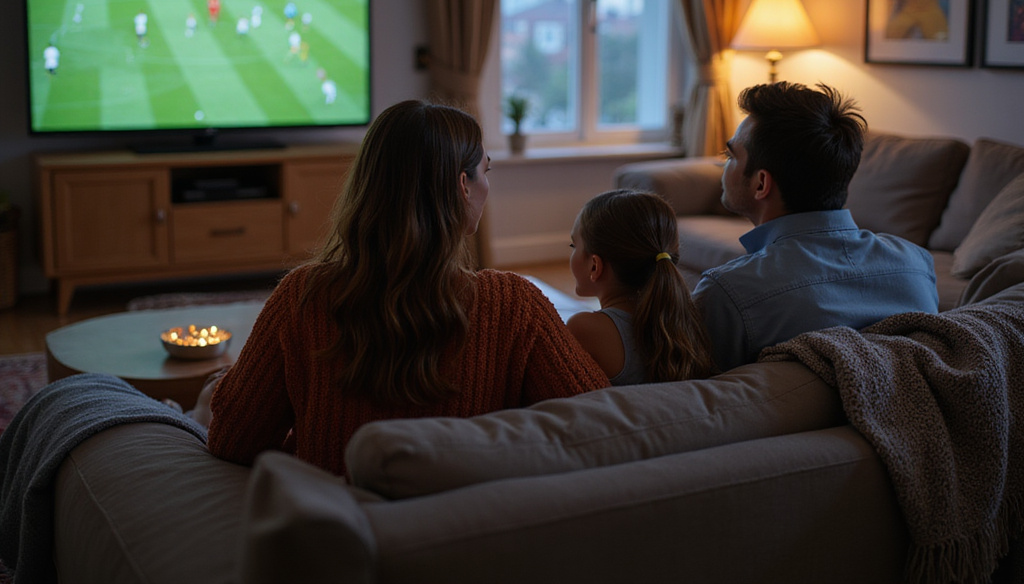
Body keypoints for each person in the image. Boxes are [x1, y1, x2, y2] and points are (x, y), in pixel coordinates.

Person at [205, 99, 609, 476]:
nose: (488, 184)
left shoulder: (301, 297)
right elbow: (606, 428)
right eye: (487, 171)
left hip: (339, 538)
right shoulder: (514, 306)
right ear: (462, 186)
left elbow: (231, 440)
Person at [693, 82, 939, 371]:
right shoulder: (918, 265)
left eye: (730, 156)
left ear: (761, 184)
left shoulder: (727, 294)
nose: (724, 167)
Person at [566, 189, 716, 385]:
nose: (572, 252)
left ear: (595, 266)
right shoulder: (688, 321)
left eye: (573, 246)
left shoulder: (584, 328)